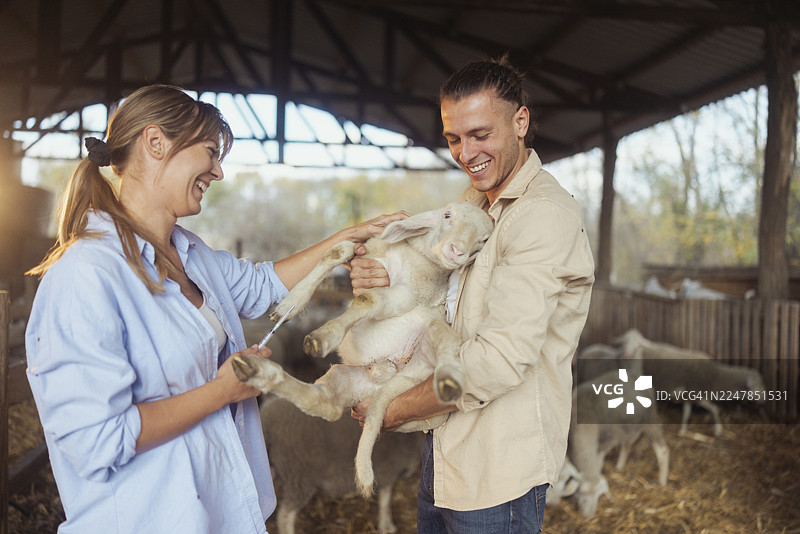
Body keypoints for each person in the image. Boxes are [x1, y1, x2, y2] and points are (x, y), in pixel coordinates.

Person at [24, 84, 407, 534]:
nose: (219, 172)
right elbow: (96, 440)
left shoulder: (191, 254)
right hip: (147, 519)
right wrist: (223, 390)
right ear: (155, 142)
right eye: (210, 152)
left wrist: (349, 238)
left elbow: (263, 284)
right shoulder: (85, 274)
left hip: (219, 513)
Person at [350, 56, 595, 533]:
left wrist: (391, 408)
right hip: (446, 452)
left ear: (520, 121)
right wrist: (383, 277)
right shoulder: (471, 203)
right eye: (454, 139)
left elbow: (498, 360)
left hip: (499, 472)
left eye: (481, 135)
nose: (466, 152)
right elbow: (438, 299)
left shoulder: (541, 216)